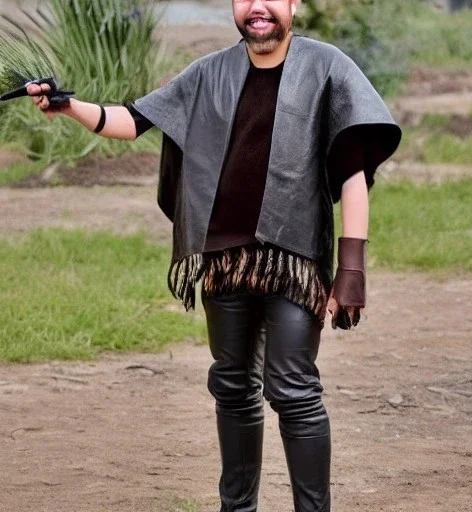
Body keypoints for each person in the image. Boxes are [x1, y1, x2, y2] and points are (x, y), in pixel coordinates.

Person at [29, 1, 401, 510]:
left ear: (294, 5)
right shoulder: (208, 73)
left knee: (294, 390)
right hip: (224, 263)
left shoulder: (327, 67)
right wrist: (67, 104)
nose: (258, 7)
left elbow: (352, 176)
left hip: (293, 263)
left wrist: (351, 272)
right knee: (232, 388)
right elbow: (132, 119)